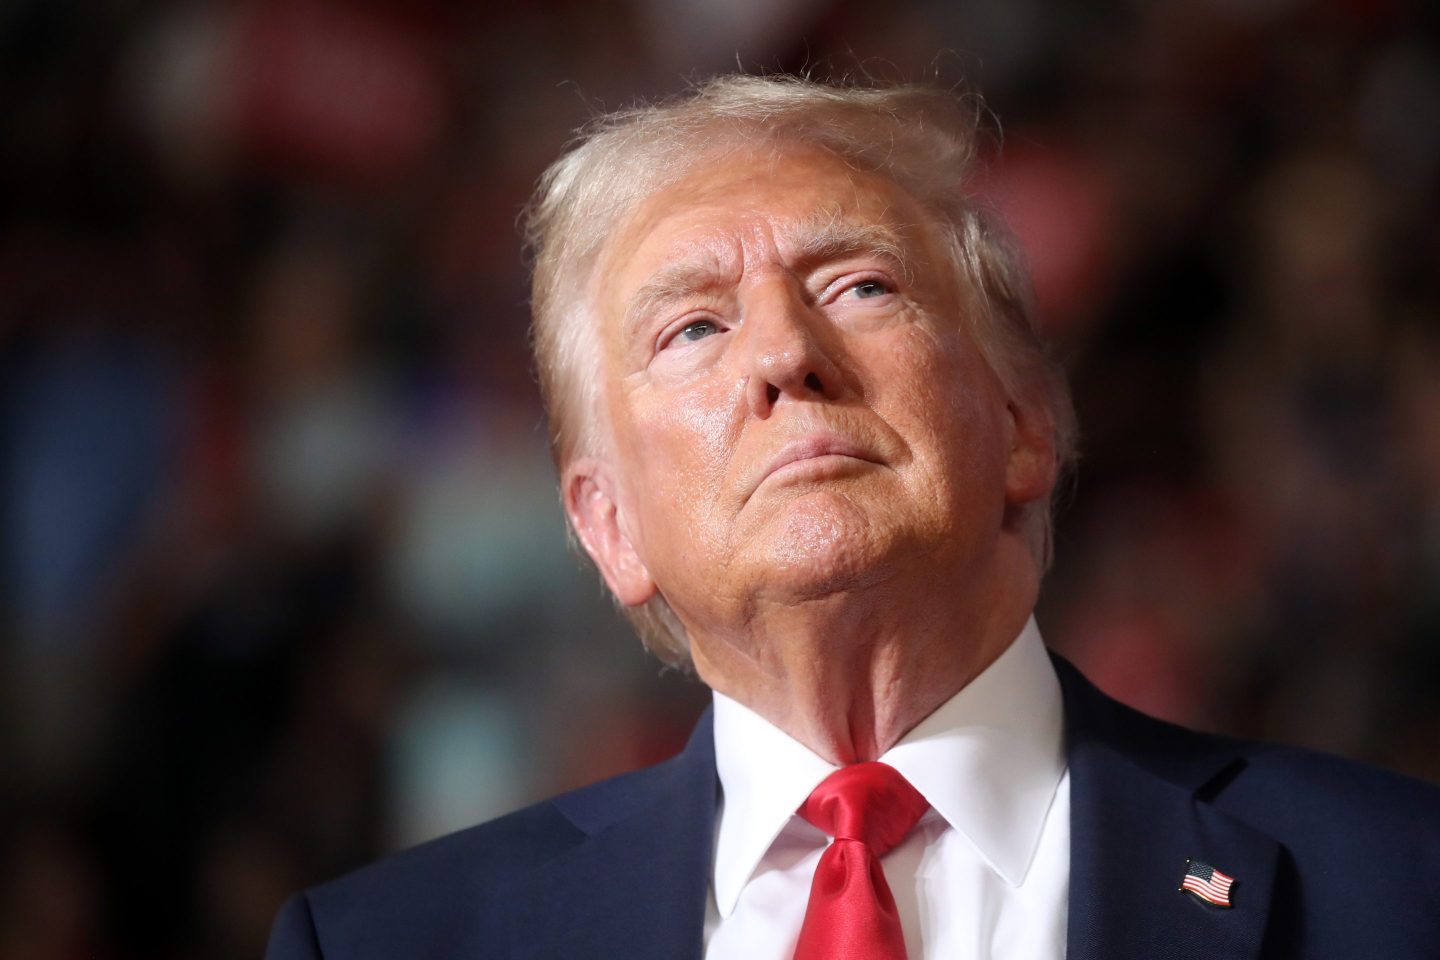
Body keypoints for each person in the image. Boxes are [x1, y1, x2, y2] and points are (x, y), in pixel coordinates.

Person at [265, 75, 1440, 959]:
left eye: (860, 286)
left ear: (1025, 420)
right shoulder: (383, 945)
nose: (783, 353)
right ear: (608, 525)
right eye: (693, 329)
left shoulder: (1398, 884)